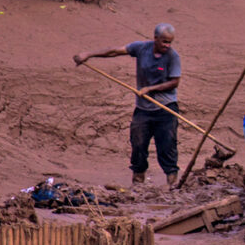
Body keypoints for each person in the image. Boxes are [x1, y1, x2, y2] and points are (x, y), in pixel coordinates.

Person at [74, 23, 181, 187]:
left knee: (167, 146)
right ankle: (138, 183)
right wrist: (88, 54)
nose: (167, 46)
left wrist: (150, 89)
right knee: (138, 144)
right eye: (164, 42)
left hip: (166, 109)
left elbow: (174, 82)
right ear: (155, 39)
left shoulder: (173, 57)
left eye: (169, 42)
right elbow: (115, 51)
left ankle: (173, 183)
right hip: (143, 109)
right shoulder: (141, 48)